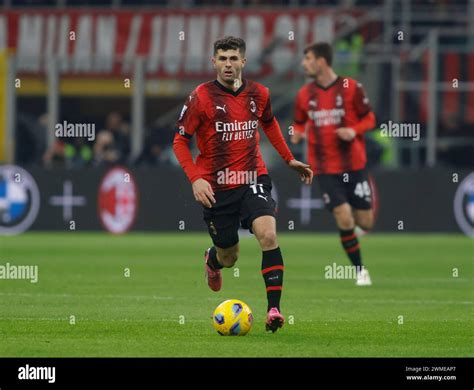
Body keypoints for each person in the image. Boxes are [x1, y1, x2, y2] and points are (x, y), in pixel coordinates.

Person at [173, 36, 313, 333]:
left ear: (243, 62)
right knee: (230, 256)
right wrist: (196, 178)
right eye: (222, 58)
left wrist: (289, 159)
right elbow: (180, 141)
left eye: (233, 58)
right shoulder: (201, 97)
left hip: (253, 179)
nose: (228, 64)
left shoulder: (259, 94)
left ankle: (273, 309)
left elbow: (270, 124)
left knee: (268, 235)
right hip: (216, 186)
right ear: (214, 62)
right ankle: (213, 259)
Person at [290, 42, 376, 286]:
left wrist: (353, 130)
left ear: (321, 61)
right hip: (325, 168)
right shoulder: (304, 95)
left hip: (354, 165)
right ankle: (360, 271)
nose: (303, 64)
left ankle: (354, 239)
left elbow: (370, 118)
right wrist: (296, 133)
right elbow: (298, 122)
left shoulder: (351, 88)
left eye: (307, 59)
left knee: (365, 222)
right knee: (344, 215)